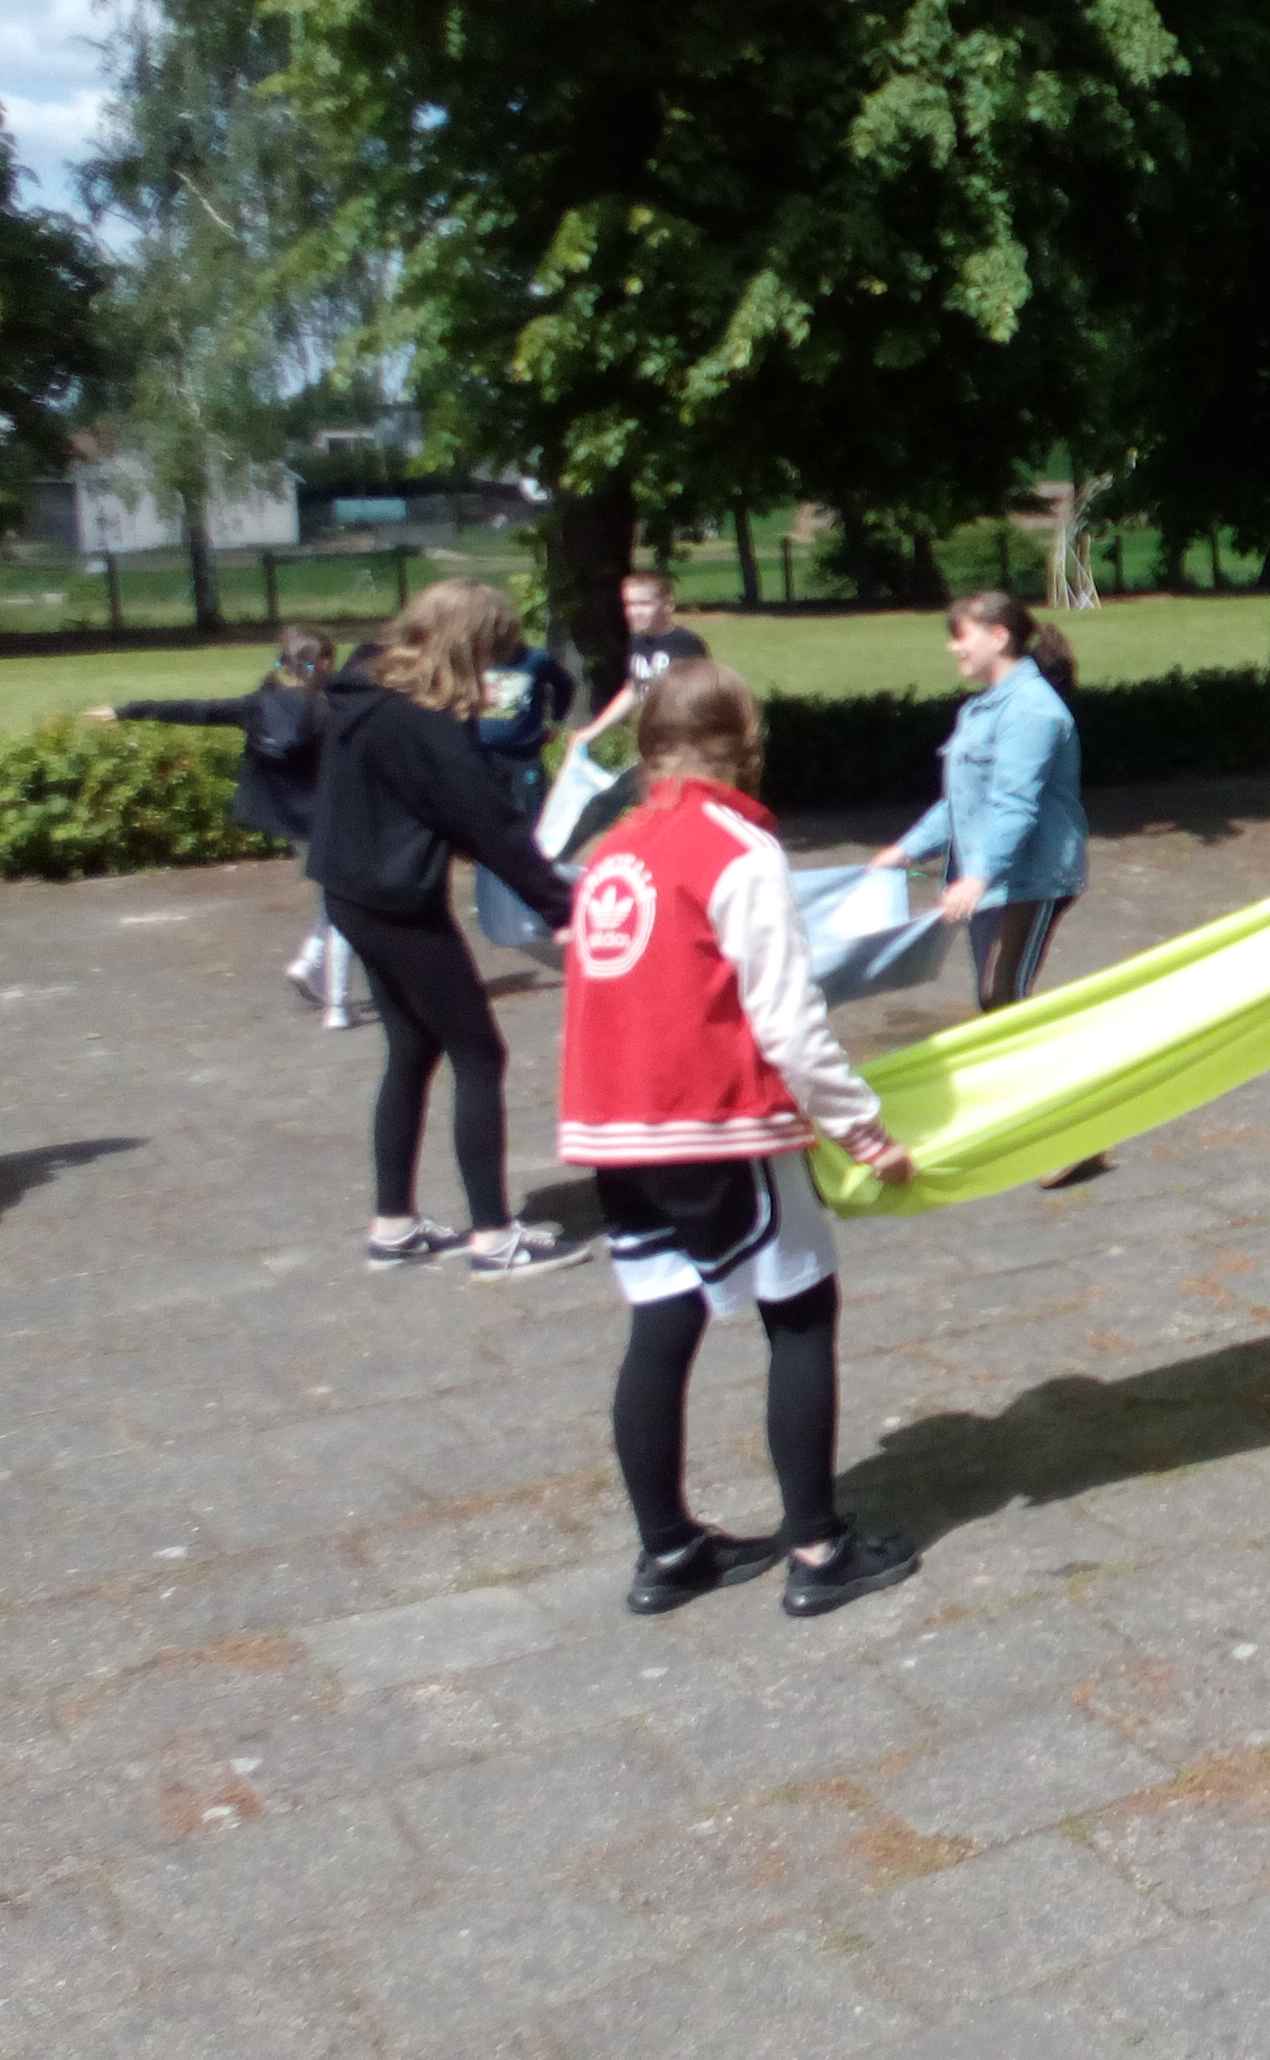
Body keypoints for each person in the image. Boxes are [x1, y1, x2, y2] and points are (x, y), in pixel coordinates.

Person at [559, 659, 924, 1618]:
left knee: (661, 1321)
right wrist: (862, 1129)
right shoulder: (738, 849)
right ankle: (819, 1549)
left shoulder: (612, 852)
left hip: (615, 1128)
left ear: (648, 747)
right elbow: (788, 1021)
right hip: (716, 1121)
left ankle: (669, 1550)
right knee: (799, 1311)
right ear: (745, 743)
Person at [309, 579, 587, 1276]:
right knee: (480, 1055)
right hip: (398, 906)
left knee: (411, 1049)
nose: (497, 668)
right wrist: (566, 913)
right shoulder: (425, 725)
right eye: (494, 651)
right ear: (470, 646)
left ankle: (393, 1227)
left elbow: (427, 806)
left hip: (349, 895)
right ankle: (494, 1239)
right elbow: (492, 828)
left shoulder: (363, 690)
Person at [92, 625, 360, 1026]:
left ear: (283, 661)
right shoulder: (335, 708)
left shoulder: (258, 705)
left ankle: (310, 964)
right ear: (323, 662)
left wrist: (126, 710)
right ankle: (334, 1003)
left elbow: (196, 711)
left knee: (335, 900)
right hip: (333, 819)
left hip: (289, 823)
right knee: (347, 907)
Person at [871, 591, 1088, 1017]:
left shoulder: (1032, 711)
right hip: (990, 878)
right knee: (993, 998)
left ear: (999, 637)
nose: (953, 646)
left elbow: (1015, 805)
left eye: (962, 636)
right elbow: (960, 803)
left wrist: (977, 877)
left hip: (1031, 878)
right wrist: (906, 851)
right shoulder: (979, 711)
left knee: (1003, 994)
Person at [577, 569, 711, 742]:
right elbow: (634, 689)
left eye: (644, 604)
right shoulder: (636, 643)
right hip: (652, 734)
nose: (635, 611)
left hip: (684, 735)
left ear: (667, 604)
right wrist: (595, 729)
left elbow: (702, 695)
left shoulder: (685, 643)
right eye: (629, 604)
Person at [475, 631, 577, 817]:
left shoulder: (535, 659)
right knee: (486, 813)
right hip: (483, 752)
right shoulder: (477, 658)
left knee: (532, 813)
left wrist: (556, 721)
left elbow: (565, 685)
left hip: (525, 753)